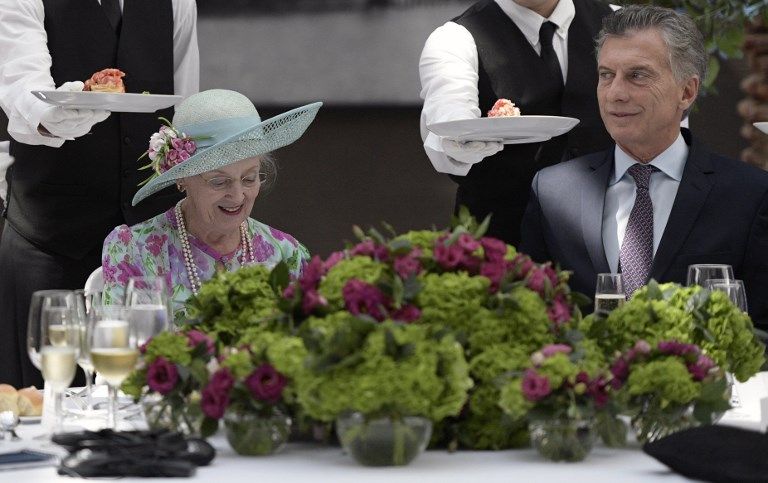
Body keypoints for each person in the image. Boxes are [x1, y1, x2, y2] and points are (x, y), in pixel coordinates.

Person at [520, 5, 768, 328]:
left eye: (637, 75)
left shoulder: (749, 195)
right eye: (606, 75)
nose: (616, 94)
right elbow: (530, 318)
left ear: (687, 91)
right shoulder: (553, 192)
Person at [0, 0, 199, 387]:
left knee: (143, 406)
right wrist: (66, 111)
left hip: (148, 247)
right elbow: (24, 92)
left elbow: (184, 110)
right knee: (42, 410)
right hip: (50, 242)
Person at [102, 89, 320, 320]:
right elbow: (122, 345)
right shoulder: (133, 249)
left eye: (249, 179)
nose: (237, 196)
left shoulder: (287, 253)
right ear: (182, 178)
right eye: (219, 182)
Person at [419, 0, 615, 246]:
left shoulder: (619, 23)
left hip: (607, 238)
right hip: (499, 245)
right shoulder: (455, 39)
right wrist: (465, 140)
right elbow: (448, 120)